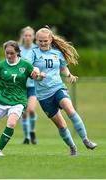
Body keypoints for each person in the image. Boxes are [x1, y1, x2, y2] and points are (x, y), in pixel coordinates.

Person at [29, 26, 97, 155]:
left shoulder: (57, 53)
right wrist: (37, 74)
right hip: (43, 96)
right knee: (61, 125)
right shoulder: (33, 53)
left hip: (57, 88)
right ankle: (72, 147)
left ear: (50, 40)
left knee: (70, 110)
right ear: (36, 40)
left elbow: (63, 68)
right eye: (40, 41)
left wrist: (69, 75)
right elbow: (30, 70)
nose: (43, 43)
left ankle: (86, 140)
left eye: (45, 40)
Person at [19, 26, 38, 144]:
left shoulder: (37, 49)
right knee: (24, 113)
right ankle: (26, 137)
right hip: (21, 86)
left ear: (33, 37)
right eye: (25, 35)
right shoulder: (18, 50)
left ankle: (32, 132)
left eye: (30, 35)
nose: (27, 37)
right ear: (23, 36)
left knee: (31, 110)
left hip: (32, 86)